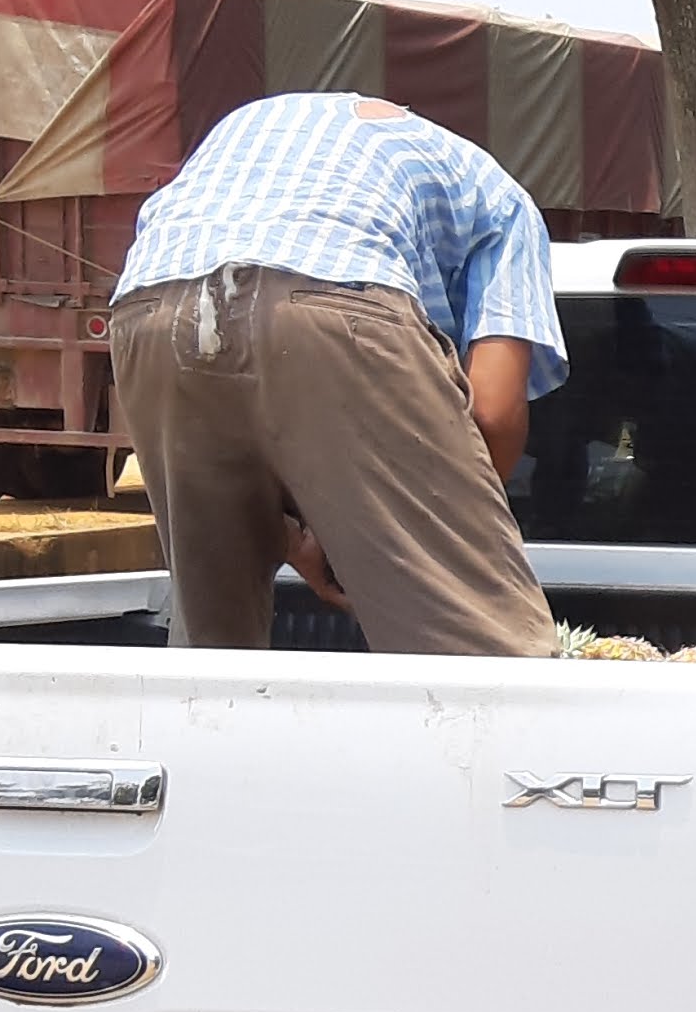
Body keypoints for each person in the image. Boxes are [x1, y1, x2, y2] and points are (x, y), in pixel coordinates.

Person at [103, 89, 567, 653]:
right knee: (488, 655)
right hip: (334, 295)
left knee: (215, 652)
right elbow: (492, 415)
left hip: (148, 307)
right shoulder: (503, 202)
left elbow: (256, 406)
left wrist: (303, 533)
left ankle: (208, 735)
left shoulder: (260, 123)